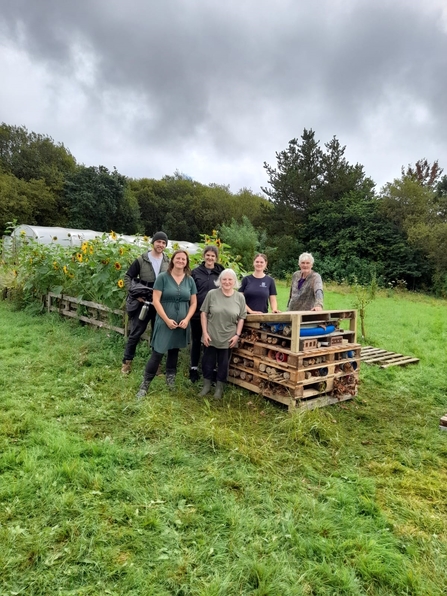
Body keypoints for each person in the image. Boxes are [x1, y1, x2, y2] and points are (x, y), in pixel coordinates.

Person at [136, 250, 197, 398]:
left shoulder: (189, 280)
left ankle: (171, 382)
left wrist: (187, 319)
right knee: (158, 351)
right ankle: (144, 386)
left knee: (174, 351)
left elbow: (194, 303)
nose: (181, 261)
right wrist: (166, 319)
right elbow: (156, 300)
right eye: (178, 258)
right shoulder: (163, 278)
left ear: (186, 262)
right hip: (165, 320)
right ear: (173, 260)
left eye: (184, 259)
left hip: (181, 322)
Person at [121, 232, 170, 374]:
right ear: (153, 242)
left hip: (159, 304)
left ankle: (156, 366)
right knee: (136, 332)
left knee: (158, 334)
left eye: (163, 243)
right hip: (144, 303)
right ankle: (126, 363)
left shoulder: (167, 261)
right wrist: (134, 293)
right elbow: (128, 276)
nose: (161, 245)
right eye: (158, 242)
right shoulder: (142, 260)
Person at [200, 269, 247, 399]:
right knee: (207, 362)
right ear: (220, 281)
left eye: (230, 279)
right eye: (224, 279)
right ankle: (206, 386)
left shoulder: (239, 297)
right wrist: (205, 332)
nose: (227, 282)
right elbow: (203, 313)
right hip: (211, 335)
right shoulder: (212, 294)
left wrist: (237, 335)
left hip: (228, 338)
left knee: (223, 364)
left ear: (234, 282)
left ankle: (219, 388)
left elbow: (242, 318)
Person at [189, 245, 224, 382]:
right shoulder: (196, 272)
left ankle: (211, 370)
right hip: (197, 312)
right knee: (197, 340)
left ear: (216, 257)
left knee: (212, 342)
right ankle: (193, 369)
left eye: (213, 256)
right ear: (204, 256)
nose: (210, 258)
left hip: (215, 315)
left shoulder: (221, 272)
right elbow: (191, 292)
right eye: (208, 255)